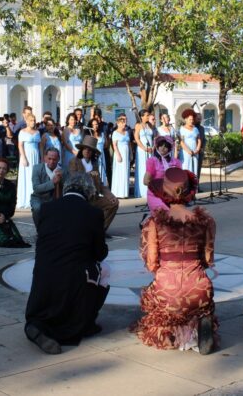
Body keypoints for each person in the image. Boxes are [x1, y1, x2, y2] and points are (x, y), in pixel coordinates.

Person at [132, 167, 217, 354]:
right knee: (202, 298)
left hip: (167, 288)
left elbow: (152, 262)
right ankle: (196, 327)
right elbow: (208, 259)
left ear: (164, 194)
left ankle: (177, 332)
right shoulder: (205, 221)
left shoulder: (154, 223)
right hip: (198, 287)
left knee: (153, 298)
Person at [24, 173, 109, 354]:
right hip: (73, 277)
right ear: (88, 191)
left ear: (66, 188)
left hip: (44, 275)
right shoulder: (93, 213)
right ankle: (86, 321)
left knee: (53, 265)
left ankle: (37, 326)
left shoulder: (47, 208)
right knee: (106, 270)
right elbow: (100, 253)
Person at [68, 135, 119, 231]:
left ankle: (100, 229)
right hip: (79, 198)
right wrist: (89, 175)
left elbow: (100, 184)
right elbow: (74, 179)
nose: (87, 151)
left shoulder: (94, 164)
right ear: (82, 149)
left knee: (114, 203)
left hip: (93, 197)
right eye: (85, 148)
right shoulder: (74, 162)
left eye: (90, 150)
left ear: (93, 152)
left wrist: (111, 196)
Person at [31, 148, 63, 226]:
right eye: (49, 159)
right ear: (45, 157)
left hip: (56, 199)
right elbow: (36, 188)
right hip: (39, 198)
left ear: (58, 159)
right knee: (37, 208)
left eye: (54, 159)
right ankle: (39, 230)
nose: (51, 161)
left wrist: (62, 180)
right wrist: (52, 183)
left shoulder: (63, 170)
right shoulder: (37, 168)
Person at [16, 114, 41, 209]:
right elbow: (20, 145)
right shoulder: (22, 132)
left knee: (35, 176)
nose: (33, 122)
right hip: (26, 156)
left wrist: (40, 157)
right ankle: (25, 200)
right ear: (26, 121)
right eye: (31, 120)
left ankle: (35, 198)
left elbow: (39, 146)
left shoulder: (37, 132)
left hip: (35, 156)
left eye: (34, 120)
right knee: (27, 176)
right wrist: (23, 157)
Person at [134, 109, 156, 198]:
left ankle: (151, 190)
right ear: (142, 116)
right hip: (142, 150)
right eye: (146, 115)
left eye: (148, 115)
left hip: (151, 150)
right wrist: (144, 148)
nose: (148, 116)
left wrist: (153, 146)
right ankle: (143, 191)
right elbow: (136, 138)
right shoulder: (138, 125)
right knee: (144, 168)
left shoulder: (150, 125)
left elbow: (154, 137)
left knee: (151, 169)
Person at [110, 115, 131, 198]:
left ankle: (124, 193)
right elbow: (114, 145)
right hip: (120, 153)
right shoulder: (115, 133)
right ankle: (117, 192)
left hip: (126, 153)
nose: (123, 124)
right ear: (118, 123)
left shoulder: (126, 132)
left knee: (125, 172)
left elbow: (129, 144)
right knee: (119, 172)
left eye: (124, 123)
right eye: (122, 123)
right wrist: (118, 155)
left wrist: (131, 154)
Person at [178, 109, 200, 174]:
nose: (192, 121)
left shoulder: (195, 129)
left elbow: (199, 139)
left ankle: (194, 183)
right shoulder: (182, 129)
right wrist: (188, 151)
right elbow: (181, 142)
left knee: (194, 169)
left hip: (195, 152)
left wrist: (197, 149)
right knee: (186, 169)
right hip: (186, 153)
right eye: (190, 119)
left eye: (192, 119)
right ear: (185, 119)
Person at [89, 119, 108, 187]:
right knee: (95, 172)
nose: (95, 126)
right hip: (93, 156)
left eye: (96, 124)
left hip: (101, 154)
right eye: (93, 125)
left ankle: (102, 187)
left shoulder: (102, 133)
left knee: (102, 170)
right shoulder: (90, 134)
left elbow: (106, 144)